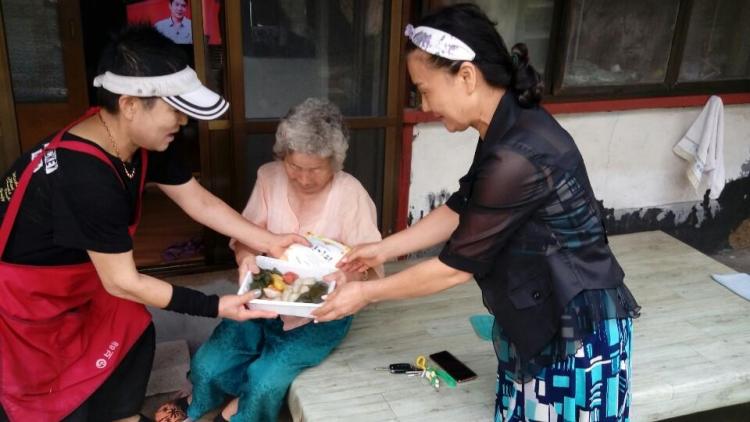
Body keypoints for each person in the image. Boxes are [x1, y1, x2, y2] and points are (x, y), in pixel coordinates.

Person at [314, 4, 641, 422]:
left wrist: (364, 294)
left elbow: (455, 269)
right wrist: (381, 250)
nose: (424, 104)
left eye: (425, 90)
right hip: (538, 311)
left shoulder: (518, 152)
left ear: (467, 76)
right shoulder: (504, 125)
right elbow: (462, 206)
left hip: (574, 330)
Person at [0, 25, 305, 422]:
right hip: (30, 300)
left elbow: (198, 200)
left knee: (132, 331)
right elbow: (122, 282)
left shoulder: (137, 140)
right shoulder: (85, 178)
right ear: (129, 104)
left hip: (83, 279)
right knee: (57, 398)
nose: (183, 120)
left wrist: (270, 241)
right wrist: (216, 305)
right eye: (174, 109)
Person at [157, 98, 383, 422]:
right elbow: (245, 236)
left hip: (319, 312)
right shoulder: (269, 176)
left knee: (266, 380)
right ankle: (199, 400)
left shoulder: (351, 194)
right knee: (209, 363)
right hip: (267, 293)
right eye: (294, 166)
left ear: (334, 162)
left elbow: (371, 265)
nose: (303, 178)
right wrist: (246, 258)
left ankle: (240, 412)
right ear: (283, 156)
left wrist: (349, 278)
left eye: (315, 169)